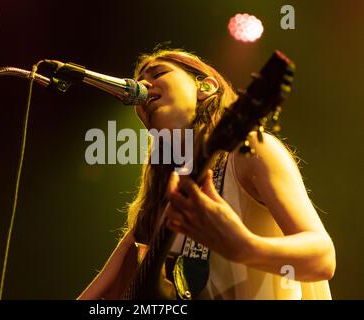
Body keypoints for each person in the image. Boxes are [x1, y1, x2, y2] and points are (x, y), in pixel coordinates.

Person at [77, 47, 336, 300]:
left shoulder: (250, 152)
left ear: (206, 87)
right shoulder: (156, 205)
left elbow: (323, 259)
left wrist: (245, 247)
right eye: (139, 81)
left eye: (158, 74)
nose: (144, 85)